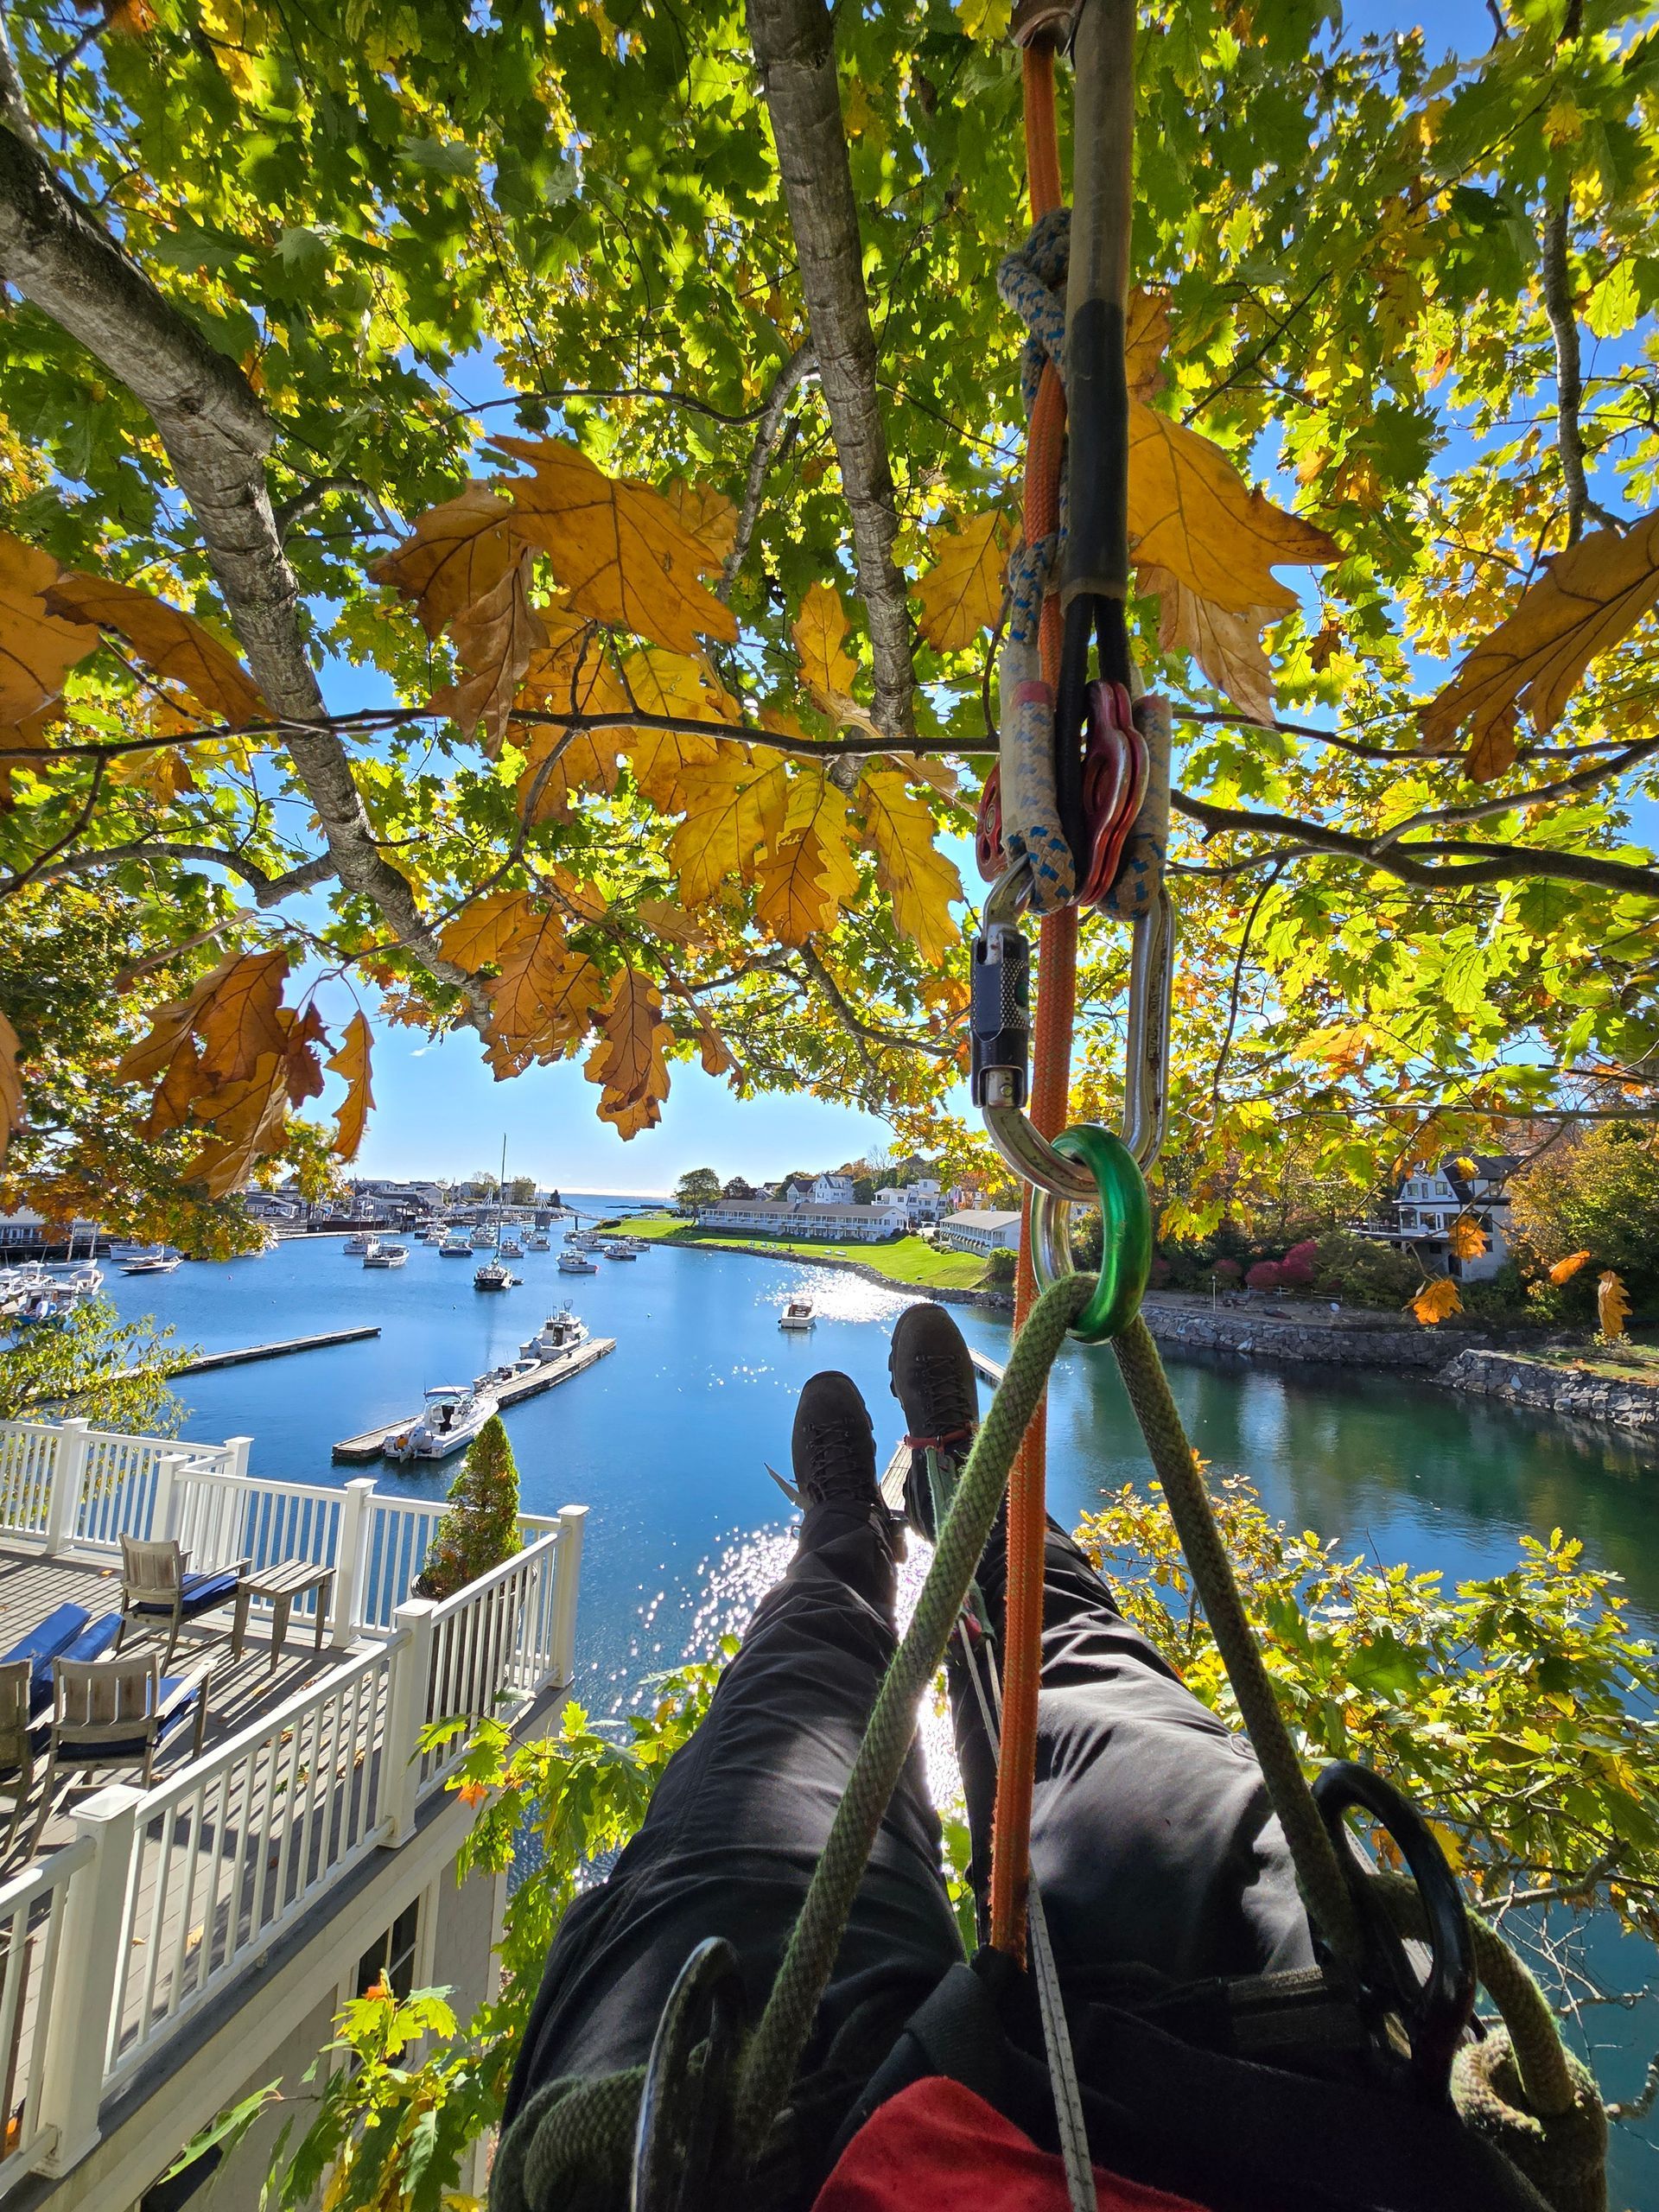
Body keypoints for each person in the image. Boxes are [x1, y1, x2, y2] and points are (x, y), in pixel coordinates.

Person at [496, 1306, 1539, 2212]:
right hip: (1290, 2107)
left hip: (784, 2145)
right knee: (1100, 1678)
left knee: (790, 1700)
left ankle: (847, 1538)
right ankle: (960, 1492)